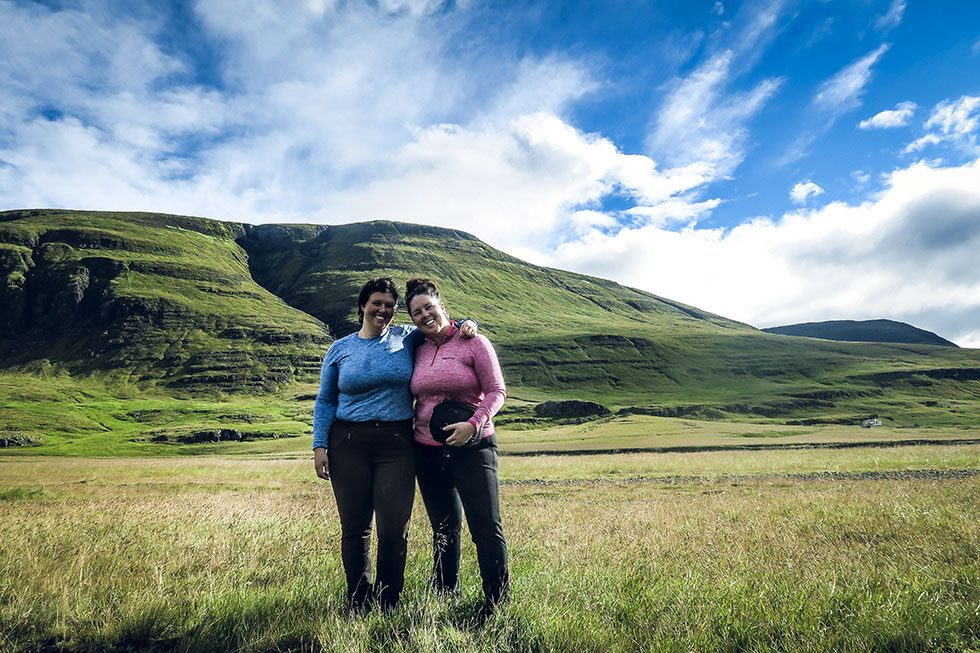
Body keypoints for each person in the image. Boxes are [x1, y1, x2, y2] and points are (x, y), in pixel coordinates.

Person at [312, 276, 476, 612]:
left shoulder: (406, 336)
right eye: (377, 304)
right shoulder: (340, 349)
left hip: (397, 443)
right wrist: (319, 445)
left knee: (393, 528)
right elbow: (325, 400)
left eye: (389, 305)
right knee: (355, 528)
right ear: (362, 306)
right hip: (348, 442)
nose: (383, 310)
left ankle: (389, 600)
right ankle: (358, 600)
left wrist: (468, 323)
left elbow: (440, 326)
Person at [405, 277, 509, 618]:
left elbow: (496, 391)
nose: (424, 315)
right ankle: (444, 595)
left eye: (429, 308)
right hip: (427, 448)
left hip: (474, 446)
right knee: (443, 528)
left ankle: (497, 601)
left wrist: (473, 425)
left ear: (443, 308)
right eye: (417, 312)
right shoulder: (416, 347)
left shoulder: (473, 341)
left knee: (485, 526)